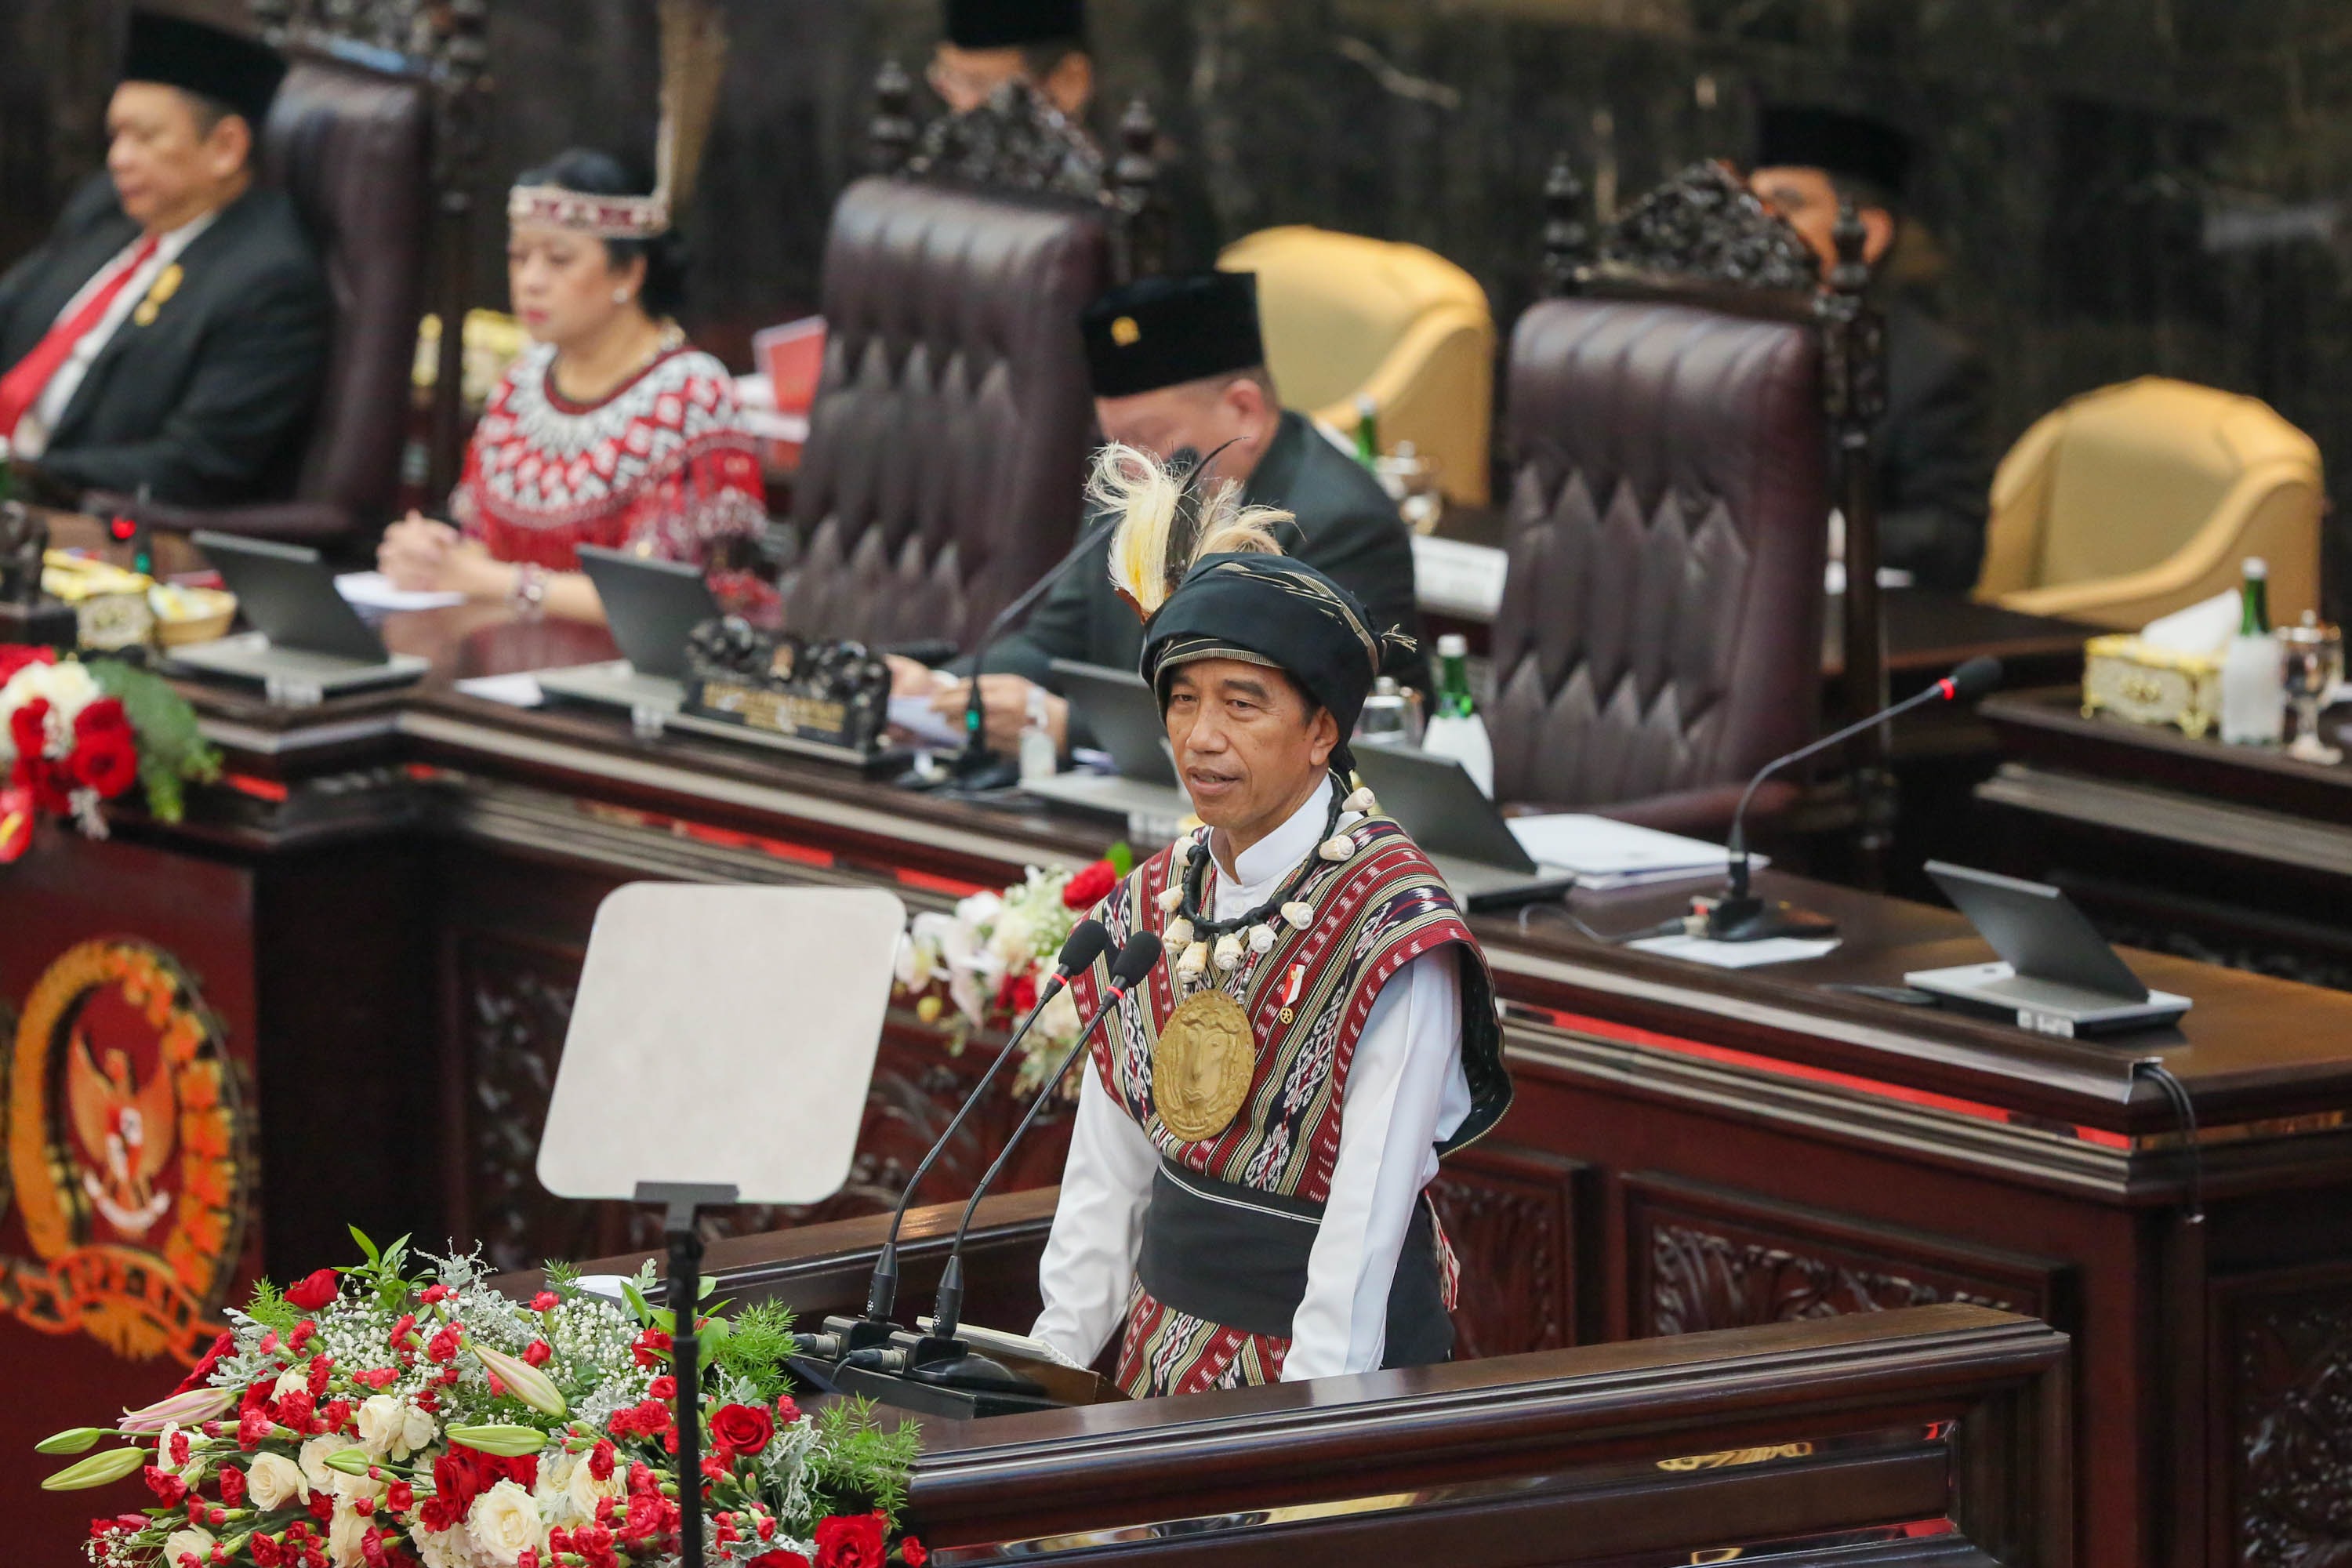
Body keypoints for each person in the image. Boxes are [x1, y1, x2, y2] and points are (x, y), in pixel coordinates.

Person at [1030, 443, 1511, 1396]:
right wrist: (1049, 1366)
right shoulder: (1151, 900)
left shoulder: (1392, 929)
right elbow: (1108, 1176)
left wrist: (1304, 1438)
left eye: (1242, 704)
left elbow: (1365, 1228)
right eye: (1183, 700)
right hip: (1159, 1364)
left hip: (1327, 1381)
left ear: (1322, 729)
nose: (1200, 736)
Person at [896, 270, 1421, 755]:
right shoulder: (1141, 483)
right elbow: (1054, 644)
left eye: (1146, 439)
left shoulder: (1338, 524)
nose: (1128, 470)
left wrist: (1067, 728)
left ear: (1244, 411)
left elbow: (1282, 726)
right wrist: (940, 691)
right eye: (1114, 443)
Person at [376, 150, 769, 625]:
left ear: (629, 272)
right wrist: (432, 554)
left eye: (560, 260)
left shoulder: (690, 396)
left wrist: (495, 582)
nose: (531, 281)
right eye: (519, 257)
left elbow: (662, 598)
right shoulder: (523, 381)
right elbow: (478, 542)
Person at [0, 9, 326, 506]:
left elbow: (194, 463)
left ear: (226, 148)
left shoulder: (271, 281)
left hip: (66, 509)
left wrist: (21, 474)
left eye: (145, 138)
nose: (118, 159)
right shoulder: (107, 209)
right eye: (116, 136)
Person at [1750, 105, 1995, 593]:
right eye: (1750, 206)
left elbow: (1952, 542)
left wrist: (1827, 536)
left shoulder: (1932, 367)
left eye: (1789, 204)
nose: (1759, 226)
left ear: (1866, 234)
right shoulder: (1728, 334)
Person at [927, 0, 1221, 270]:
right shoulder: (944, 176)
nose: (961, 105)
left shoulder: (1154, 197)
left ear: (1071, 80)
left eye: (980, 85)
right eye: (949, 79)